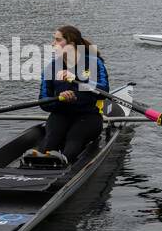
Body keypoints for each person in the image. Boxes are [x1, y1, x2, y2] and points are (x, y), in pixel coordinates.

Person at [29, 25, 110, 165]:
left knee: (74, 137)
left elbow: (104, 92)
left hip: (88, 116)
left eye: (57, 40)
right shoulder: (51, 67)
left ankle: (64, 165)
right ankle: (37, 165)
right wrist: (61, 100)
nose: (53, 44)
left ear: (70, 44)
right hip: (60, 114)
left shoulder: (93, 62)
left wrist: (78, 80)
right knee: (51, 139)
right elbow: (43, 102)